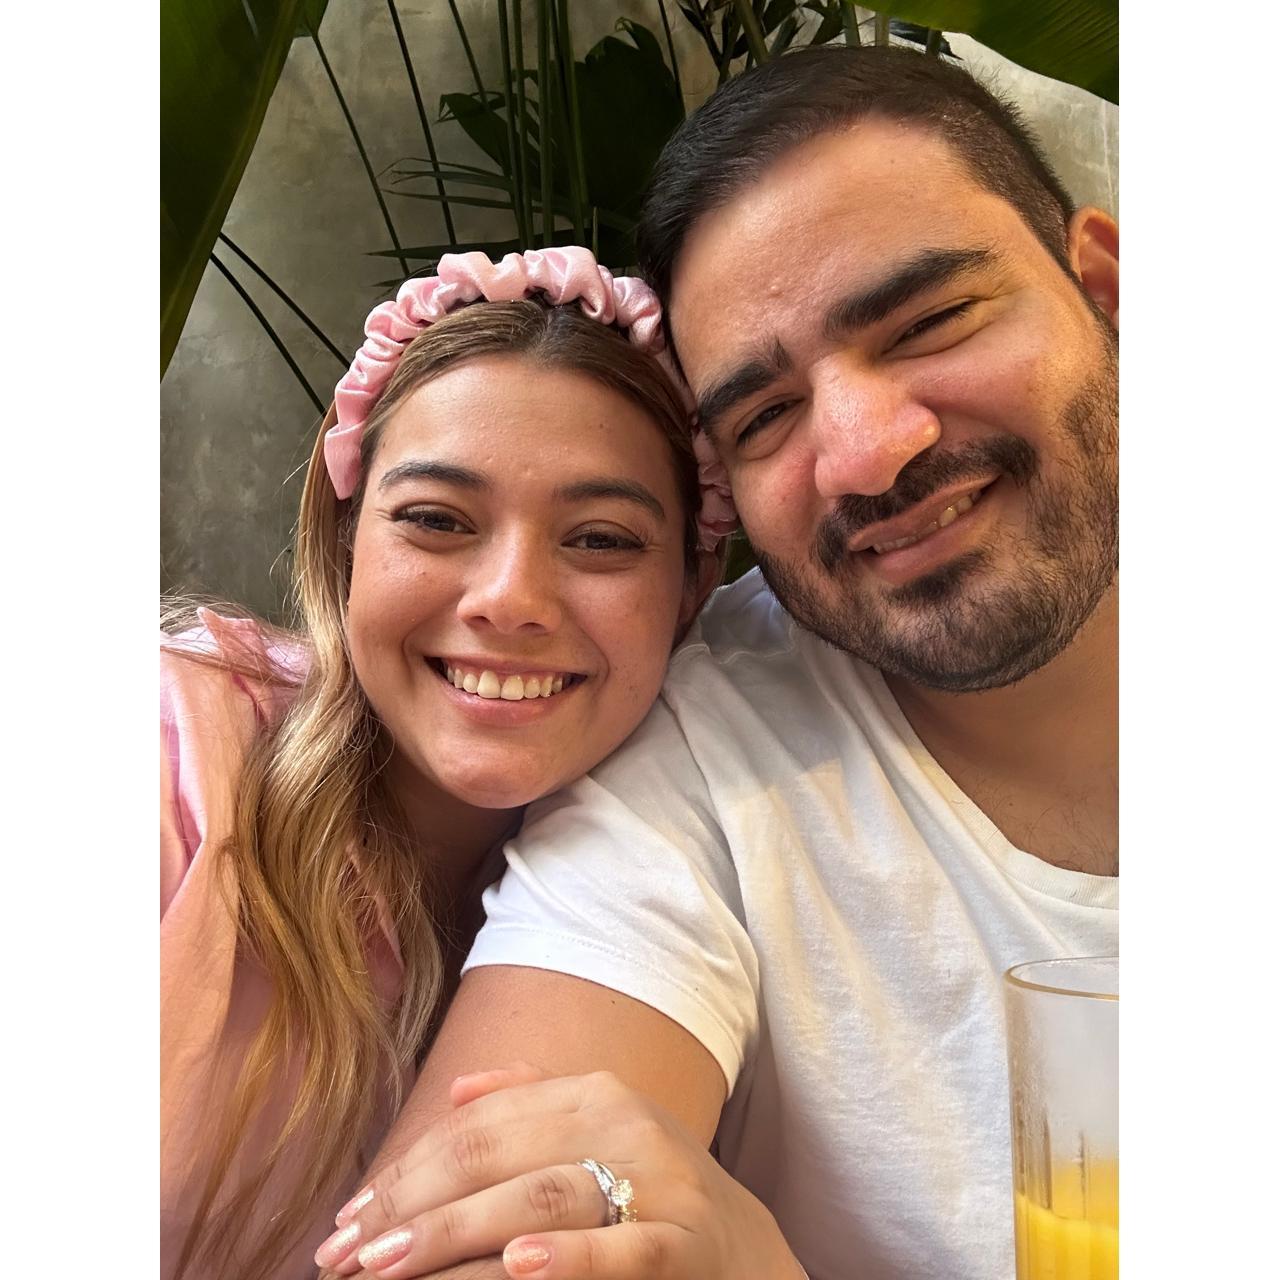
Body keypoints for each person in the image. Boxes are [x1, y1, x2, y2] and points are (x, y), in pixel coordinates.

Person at [315, 42, 1119, 1280]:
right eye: (763, 414)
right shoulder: (702, 758)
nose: (863, 451)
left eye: (929, 322)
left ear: (1104, 290)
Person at [160, 248, 729, 1280]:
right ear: (345, 540)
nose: (509, 599)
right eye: (434, 519)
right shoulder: (170, 759)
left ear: (691, 585)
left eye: (601, 539)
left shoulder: (691, 862)